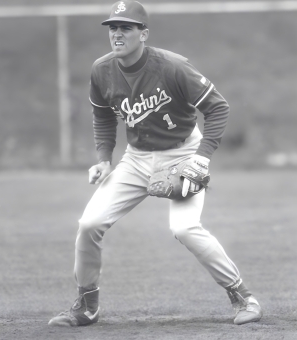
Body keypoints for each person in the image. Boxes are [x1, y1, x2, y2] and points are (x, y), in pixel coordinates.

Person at [48, 0, 263, 327]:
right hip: (135, 159)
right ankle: (86, 306)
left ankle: (243, 296)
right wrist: (104, 160)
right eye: (113, 28)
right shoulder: (101, 70)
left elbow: (218, 107)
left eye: (126, 27)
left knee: (185, 228)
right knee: (89, 224)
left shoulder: (173, 66)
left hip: (182, 153)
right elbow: (103, 116)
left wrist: (202, 159)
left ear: (143, 34)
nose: (117, 33)